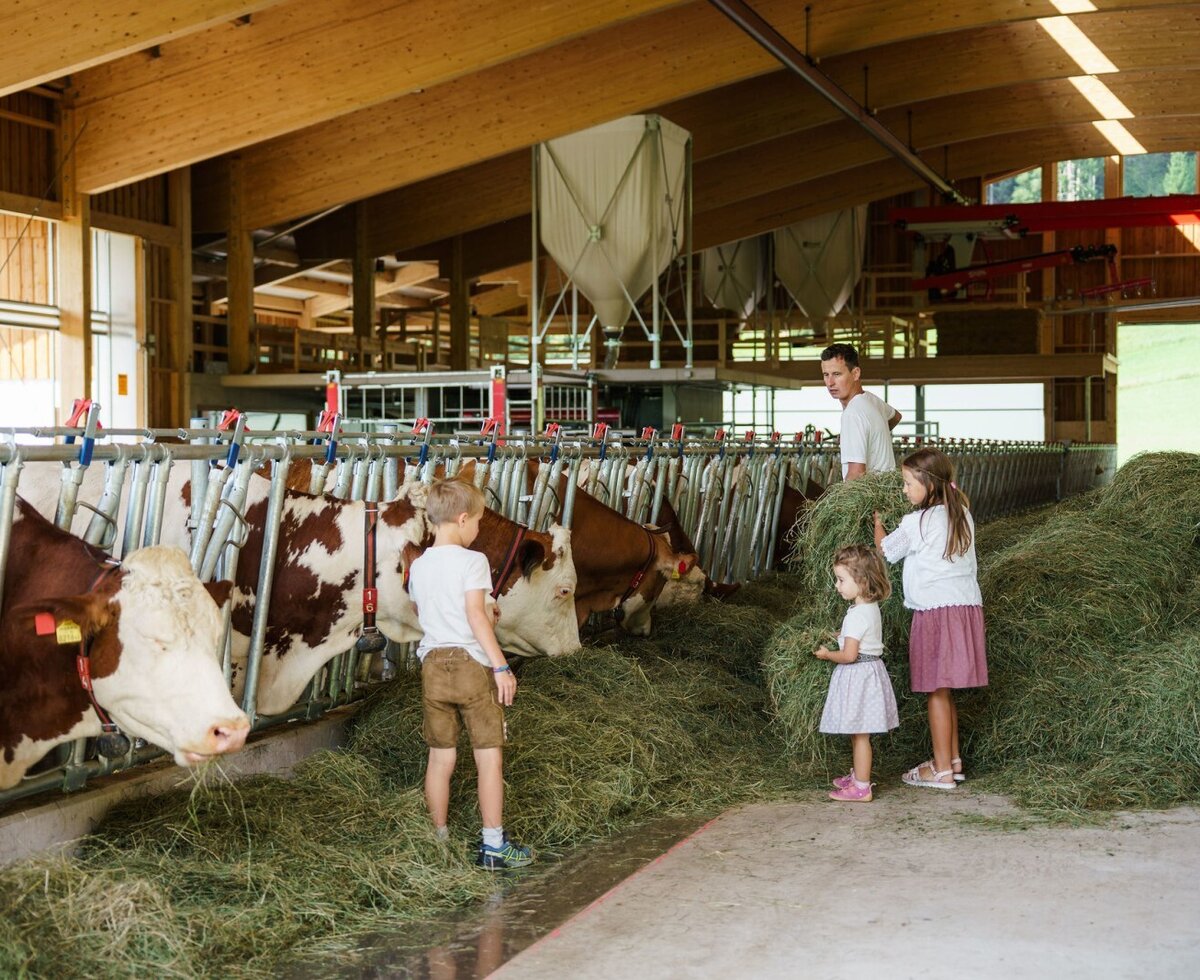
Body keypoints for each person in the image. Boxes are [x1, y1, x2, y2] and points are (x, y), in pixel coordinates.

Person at [407, 478, 533, 869]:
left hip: (432, 667)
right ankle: (493, 844)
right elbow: (476, 616)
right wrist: (500, 665)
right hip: (469, 666)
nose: (478, 529)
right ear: (462, 520)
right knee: (488, 757)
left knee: (440, 759)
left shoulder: (419, 565)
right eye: (477, 521)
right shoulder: (472, 561)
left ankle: (439, 843)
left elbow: (421, 612)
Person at [873, 447, 988, 790]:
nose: (904, 490)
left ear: (927, 482)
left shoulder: (916, 522)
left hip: (935, 612)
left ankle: (940, 771)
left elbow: (886, 550)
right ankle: (953, 761)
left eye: (908, 483)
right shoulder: (962, 513)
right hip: (965, 609)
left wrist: (878, 525)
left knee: (935, 691)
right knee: (945, 690)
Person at [813, 544, 900, 802]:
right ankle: (858, 776)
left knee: (860, 734)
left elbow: (849, 656)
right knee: (858, 731)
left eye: (841, 580)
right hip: (869, 674)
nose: (837, 586)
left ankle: (862, 787)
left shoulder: (856, 616)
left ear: (861, 581)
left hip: (858, 676)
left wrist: (828, 654)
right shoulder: (868, 609)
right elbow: (858, 639)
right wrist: (840, 636)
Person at [820, 342, 901, 481]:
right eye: (826, 375)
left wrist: (840, 502)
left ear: (855, 373)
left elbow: (856, 474)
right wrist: (869, 438)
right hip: (886, 492)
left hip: (868, 500)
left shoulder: (853, 413)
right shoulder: (871, 400)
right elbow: (896, 417)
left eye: (837, 374)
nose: (830, 382)